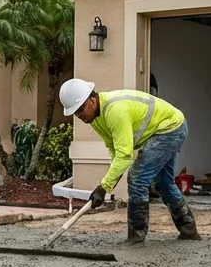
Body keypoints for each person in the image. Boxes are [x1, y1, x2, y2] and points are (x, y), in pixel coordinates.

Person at [58, 78, 199, 243]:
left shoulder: (115, 111)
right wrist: (112, 179)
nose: (79, 115)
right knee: (163, 183)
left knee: (137, 178)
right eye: (76, 112)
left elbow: (125, 155)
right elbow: (114, 149)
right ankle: (188, 229)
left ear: (92, 99)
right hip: (168, 128)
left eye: (80, 109)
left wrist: (103, 188)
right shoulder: (96, 118)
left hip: (170, 128)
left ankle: (136, 236)